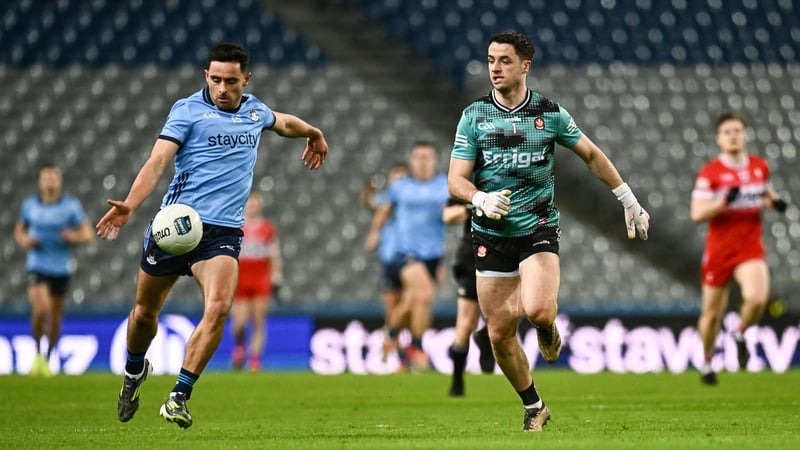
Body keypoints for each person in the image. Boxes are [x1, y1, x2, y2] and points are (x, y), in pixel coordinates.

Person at [96, 42, 328, 428]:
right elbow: (158, 160)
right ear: (206, 75)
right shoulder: (187, 111)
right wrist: (131, 205)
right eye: (216, 79)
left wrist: (313, 132)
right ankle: (134, 371)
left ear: (246, 79)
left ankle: (179, 396)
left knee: (219, 307)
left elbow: (283, 123)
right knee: (144, 314)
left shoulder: (254, 111)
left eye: (231, 81)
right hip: (175, 225)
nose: (222, 88)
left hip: (221, 232)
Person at [447, 31, 650, 432]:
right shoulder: (474, 116)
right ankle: (535, 406)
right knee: (499, 334)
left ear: (525, 66)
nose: (495, 68)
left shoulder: (549, 113)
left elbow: (591, 155)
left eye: (504, 60)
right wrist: (480, 198)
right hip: (490, 234)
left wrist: (628, 200)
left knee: (539, 309)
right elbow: (456, 179)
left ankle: (546, 326)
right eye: (490, 60)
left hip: (537, 227)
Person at [690, 111, 788, 386]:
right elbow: (697, 213)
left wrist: (774, 202)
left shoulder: (759, 166)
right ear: (718, 139)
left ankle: (740, 332)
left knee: (757, 299)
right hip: (719, 250)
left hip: (750, 247)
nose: (733, 136)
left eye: (737, 131)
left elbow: (764, 193)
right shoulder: (711, 173)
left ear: (745, 135)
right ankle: (707, 361)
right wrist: (723, 202)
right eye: (727, 132)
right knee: (712, 314)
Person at [365, 141, 450, 371]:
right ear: (411, 161)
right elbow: (382, 209)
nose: (423, 162)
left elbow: (455, 211)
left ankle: (391, 333)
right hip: (406, 253)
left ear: (434, 160)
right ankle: (417, 347)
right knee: (424, 294)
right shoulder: (400, 187)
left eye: (427, 157)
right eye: (418, 157)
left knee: (413, 301)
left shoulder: (444, 185)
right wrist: (374, 232)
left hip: (433, 255)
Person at [14, 164, 94, 376]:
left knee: (55, 316)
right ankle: (37, 352)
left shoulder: (70, 207)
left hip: (60, 267)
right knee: (41, 309)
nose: (50, 181)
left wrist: (73, 236)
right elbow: (19, 231)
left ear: (59, 181)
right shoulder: (30, 206)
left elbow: (87, 234)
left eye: (53, 177)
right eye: (46, 177)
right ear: (40, 182)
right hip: (37, 264)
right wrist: (25, 241)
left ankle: (47, 357)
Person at [443, 197, 495, 397]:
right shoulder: (468, 185)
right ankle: (457, 381)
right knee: (466, 321)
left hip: (506, 251)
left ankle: (486, 335)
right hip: (474, 252)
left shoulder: (516, 180)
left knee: (523, 305)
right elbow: (448, 215)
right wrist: (477, 205)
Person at [361, 162, 410, 357]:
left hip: (411, 258)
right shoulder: (388, 198)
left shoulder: (411, 200)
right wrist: (368, 188)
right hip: (390, 258)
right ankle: (391, 348)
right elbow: (370, 203)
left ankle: (394, 342)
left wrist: (374, 232)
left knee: (409, 304)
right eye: (395, 178)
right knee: (392, 307)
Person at [231, 191, 283, 372]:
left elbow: (274, 254)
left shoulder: (267, 228)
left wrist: (276, 275)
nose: (253, 208)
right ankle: (240, 347)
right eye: (250, 204)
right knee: (239, 321)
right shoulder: (237, 226)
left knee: (258, 321)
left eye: (256, 204)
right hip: (240, 277)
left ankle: (254, 359)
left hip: (260, 278)